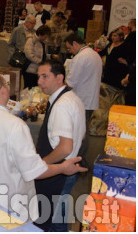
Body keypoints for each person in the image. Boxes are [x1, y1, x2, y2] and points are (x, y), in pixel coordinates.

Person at [0, 71, 86, 223]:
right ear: (3, 90)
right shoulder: (14, 125)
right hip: (8, 206)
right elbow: (33, 170)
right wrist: (63, 168)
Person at [34, 60, 86, 231]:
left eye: (45, 76)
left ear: (59, 78)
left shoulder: (61, 106)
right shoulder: (72, 97)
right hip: (68, 171)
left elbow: (65, 148)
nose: (40, 82)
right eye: (39, 77)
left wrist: (42, 165)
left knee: (53, 222)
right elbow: (82, 134)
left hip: (59, 174)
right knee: (60, 216)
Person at [65, 33, 102, 124]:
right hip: (90, 99)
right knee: (83, 128)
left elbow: (70, 83)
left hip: (82, 100)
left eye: (69, 48)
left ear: (75, 43)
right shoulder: (94, 54)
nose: (69, 51)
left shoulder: (80, 57)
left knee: (79, 131)